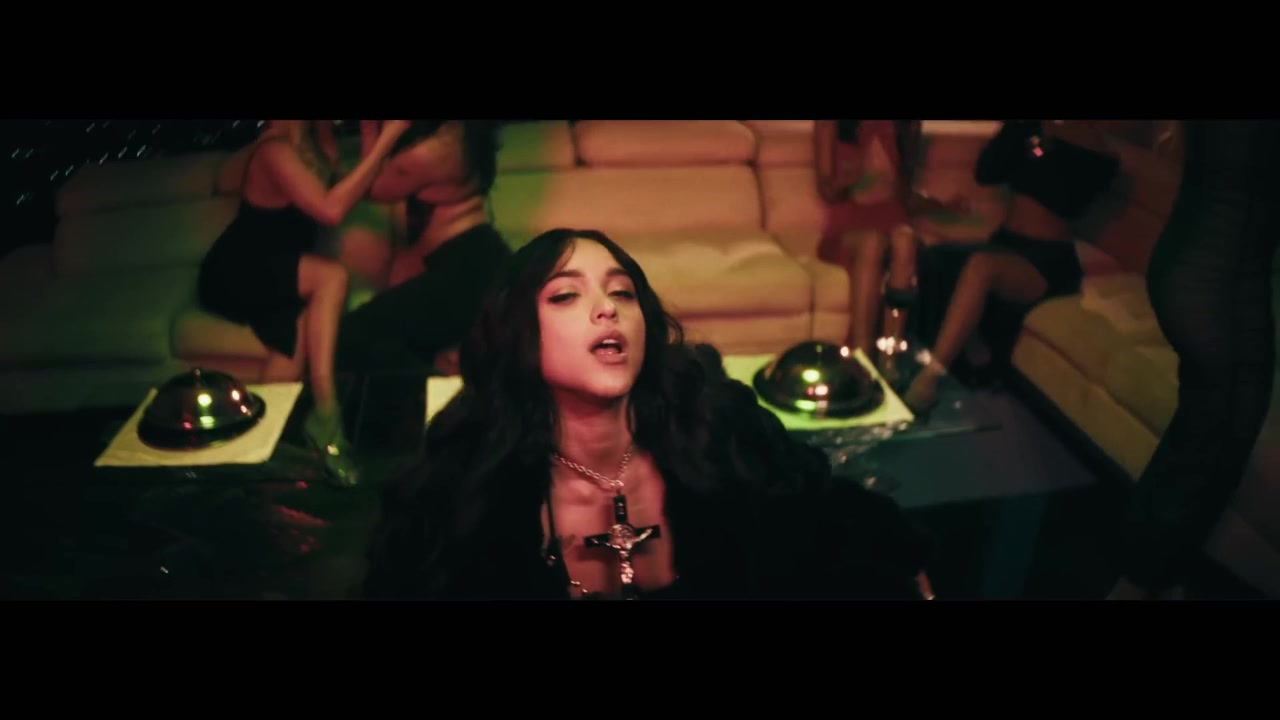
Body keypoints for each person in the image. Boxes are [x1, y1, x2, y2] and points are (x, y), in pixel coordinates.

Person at [363, 228, 934, 600]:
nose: (606, 309)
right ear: (519, 333)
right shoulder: (468, 479)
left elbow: (827, 516)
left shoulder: (715, 425)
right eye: (565, 295)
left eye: (623, 293)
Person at [1110, 121, 1280, 600]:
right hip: (1210, 282)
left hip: (1222, 277)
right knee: (1212, 445)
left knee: (1209, 438)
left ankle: (1154, 577)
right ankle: (1140, 583)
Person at [197, 119, 410, 486]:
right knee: (331, 277)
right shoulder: (274, 150)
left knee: (291, 341)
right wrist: (391, 136)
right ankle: (327, 412)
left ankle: (258, 447)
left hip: (283, 268)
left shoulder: (314, 139)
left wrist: (371, 135)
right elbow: (330, 210)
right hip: (240, 267)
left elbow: (353, 187)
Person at [903, 120, 1121, 412]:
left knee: (981, 266)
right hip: (1005, 242)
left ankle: (930, 378)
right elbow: (987, 172)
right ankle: (920, 359)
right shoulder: (1030, 131)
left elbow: (1070, 198)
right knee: (936, 256)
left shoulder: (1092, 145)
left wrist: (1044, 144)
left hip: (1046, 259)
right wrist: (1025, 134)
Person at [335, 120, 512, 376]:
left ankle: (443, 388)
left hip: (469, 265)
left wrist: (379, 134)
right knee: (381, 338)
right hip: (476, 255)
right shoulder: (459, 132)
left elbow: (371, 188)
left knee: (351, 336)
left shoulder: (435, 148)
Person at [813, 120, 967, 361]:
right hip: (852, 220)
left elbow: (903, 195)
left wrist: (942, 207)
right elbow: (826, 188)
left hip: (892, 218)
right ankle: (862, 354)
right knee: (873, 242)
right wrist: (859, 175)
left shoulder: (905, 126)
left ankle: (890, 355)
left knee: (905, 240)